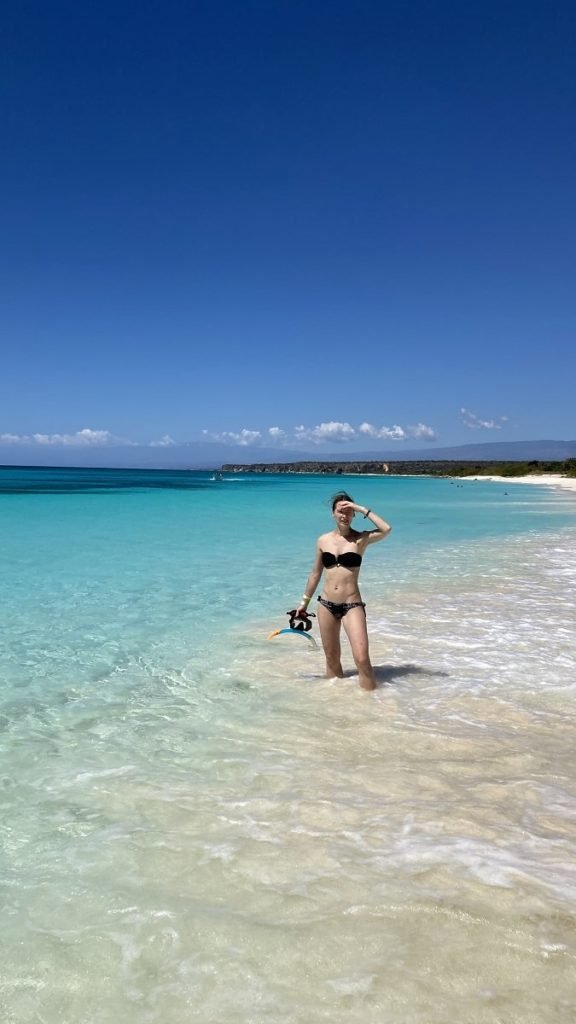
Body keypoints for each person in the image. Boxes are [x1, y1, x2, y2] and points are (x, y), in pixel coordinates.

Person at [295, 492, 392, 691]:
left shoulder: (361, 539)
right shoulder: (323, 540)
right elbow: (315, 574)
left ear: (353, 515)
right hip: (326, 606)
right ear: (333, 514)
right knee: (331, 659)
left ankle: (372, 705)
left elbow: (386, 529)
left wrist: (361, 508)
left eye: (348, 511)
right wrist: (303, 604)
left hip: (351, 605)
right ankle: (336, 704)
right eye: (340, 511)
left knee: (362, 659)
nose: (344, 515)